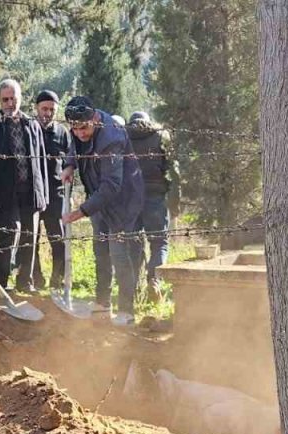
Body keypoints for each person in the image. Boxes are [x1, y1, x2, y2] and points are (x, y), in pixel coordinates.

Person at [62, 96, 144, 327]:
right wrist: (70, 164)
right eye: (74, 129)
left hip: (122, 202)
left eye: (83, 128)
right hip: (98, 198)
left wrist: (81, 211)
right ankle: (102, 304)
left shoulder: (112, 138)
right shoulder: (79, 128)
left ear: (95, 118)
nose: (80, 133)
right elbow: (74, 145)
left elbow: (112, 185)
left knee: (119, 255)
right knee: (100, 252)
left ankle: (126, 311)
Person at [0, 78, 50, 291]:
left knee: (30, 239)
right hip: (5, 193)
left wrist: (43, 195)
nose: (10, 103)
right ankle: (0, 283)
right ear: (0, 101)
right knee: (6, 236)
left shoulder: (31, 124)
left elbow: (41, 162)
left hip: (30, 192)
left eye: (13, 98)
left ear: (20, 99)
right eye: (5, 100)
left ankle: (25, 283)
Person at [126, 111, 180, 301]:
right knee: (159, 243)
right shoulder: (161, 136)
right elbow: (173, 171)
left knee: (132, 244)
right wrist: (175, 201)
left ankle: (131, 289)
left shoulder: (123, 137)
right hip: (155, 197)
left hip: (130, 199)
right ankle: (154, 280)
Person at [32, 90, 71, 290]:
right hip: (33, 194)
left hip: (56, 195)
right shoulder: (29, 128)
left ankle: (57, 279)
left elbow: (69, 163)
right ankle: (36, 279)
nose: (47, 113)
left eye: (52, 110)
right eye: (44, 109)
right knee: (31, 241)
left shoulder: (62, 133)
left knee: (58, 239)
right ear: (36, 108)